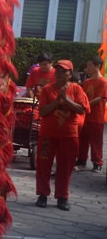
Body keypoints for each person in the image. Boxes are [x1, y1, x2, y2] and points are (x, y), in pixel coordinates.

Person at [35, 60, 89, 211]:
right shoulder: (47, 90)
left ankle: (62, 197)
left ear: (70, 74)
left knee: (65, 167)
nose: (60, 74)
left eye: (64, 71)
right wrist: (57, 100)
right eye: (57, 71)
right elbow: (43, 112)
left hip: (69, 135)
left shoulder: (77, 89)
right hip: (47, 134)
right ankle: (42, 195)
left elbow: (81, 110)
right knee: (43, 165)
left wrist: (66, 100)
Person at [77, 56, 107, 173]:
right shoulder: (87, 82)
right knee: (82, 138)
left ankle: (97, 162)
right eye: (87, 65)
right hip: (85, 115)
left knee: (96, 140)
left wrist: (85, 105)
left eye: (90, 65)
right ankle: (81, 159)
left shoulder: (103, 81)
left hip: (96, 116)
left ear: (97, 66)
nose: (88, 68)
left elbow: (100, 98)